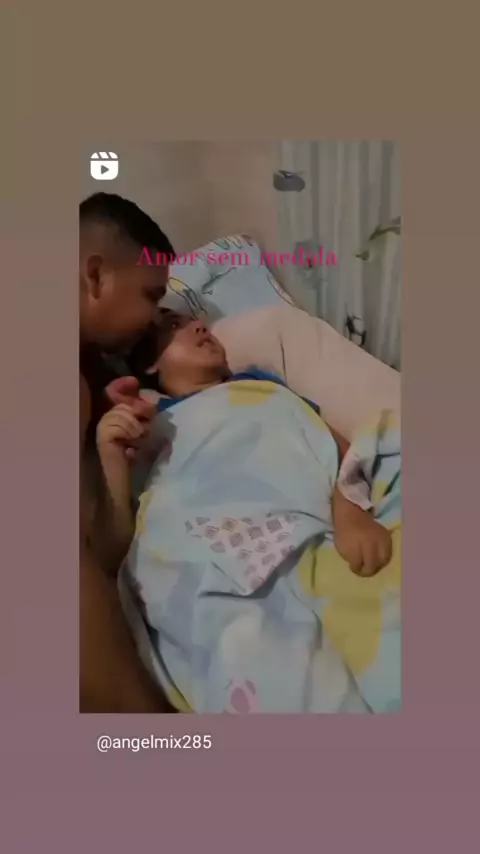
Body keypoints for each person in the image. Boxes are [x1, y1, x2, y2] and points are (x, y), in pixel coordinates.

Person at [99, 311, 393, 579]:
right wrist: (113, 449)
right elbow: (119, 546)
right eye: (175, 326)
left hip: (305, 527)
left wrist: (350, 513)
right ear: (149, 365)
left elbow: (334, 445)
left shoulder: (261, 386)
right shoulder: (150, 424)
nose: (200, 326)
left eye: (195, 320)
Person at [79, 191, 176, 713]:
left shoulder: (98, 375)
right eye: (150, 295)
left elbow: (103, 548)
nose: (153, 317)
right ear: (96, 275)